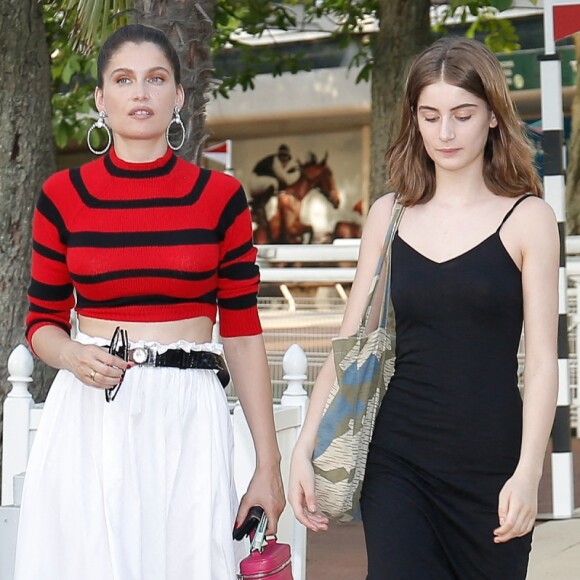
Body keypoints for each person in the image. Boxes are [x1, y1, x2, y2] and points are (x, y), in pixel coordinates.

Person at [16, 24, 285, 580]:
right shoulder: (62, 196)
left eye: (156, 79)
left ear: (179, 95)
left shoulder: (222, 197)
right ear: (100, 98)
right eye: (124, 79)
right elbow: (41, 322)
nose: (140, 93)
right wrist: (70, 355)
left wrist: (268, 463)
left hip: (191, 416)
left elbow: (242, 330)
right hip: (92, 415)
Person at [289, 36, 558, 579]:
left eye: (463, 114)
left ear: (493, 119)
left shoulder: (529, 218)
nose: (446, 132)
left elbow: (543, 361)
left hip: (492, 464)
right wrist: (304, 446)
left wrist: (529, 471)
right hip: (399, 458)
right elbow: (350, 343)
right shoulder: (389, 214)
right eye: (430, 115)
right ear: (414, 120)